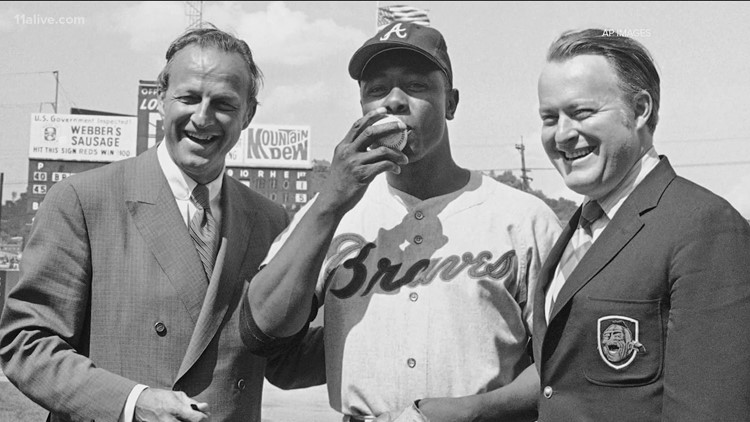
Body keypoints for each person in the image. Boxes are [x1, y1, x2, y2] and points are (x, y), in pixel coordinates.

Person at [0, 26, 323, 422]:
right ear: (160, 100)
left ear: (248, 114)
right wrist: (133, 402)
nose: (202, 118)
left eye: (223, 103)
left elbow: (282, 360)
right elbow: (26, 344)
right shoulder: (84, 200)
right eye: (188, 98)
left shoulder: (272, 221)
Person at [242, 22, 561, 422]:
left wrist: (476, 409)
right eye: (376, 90)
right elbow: (261, 329)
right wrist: (330, 203)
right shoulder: (331, 210)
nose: (393, 101)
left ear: (451, 103)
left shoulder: (522, 218)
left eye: (416, 85)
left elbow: (564, 361)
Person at [533, 28, 750, 421]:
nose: (562, 134)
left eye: (582, 112)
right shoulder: (577, 229)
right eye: (550, 117)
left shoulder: (704, 226)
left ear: (641, 110)